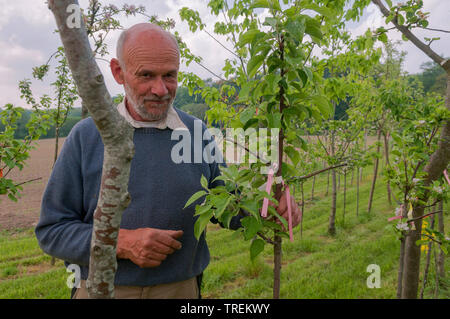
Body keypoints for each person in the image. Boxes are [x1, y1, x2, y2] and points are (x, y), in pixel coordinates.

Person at [35, 23, 301, 299]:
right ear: (118, 72)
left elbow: (228, 204)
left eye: (169, 76)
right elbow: (53, 230)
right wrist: (120, 242)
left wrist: (267, 205)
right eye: (146, 75)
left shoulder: (196, 134)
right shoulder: (87, 137)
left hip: (180, 290)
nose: (160, 89)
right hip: (102, 289)